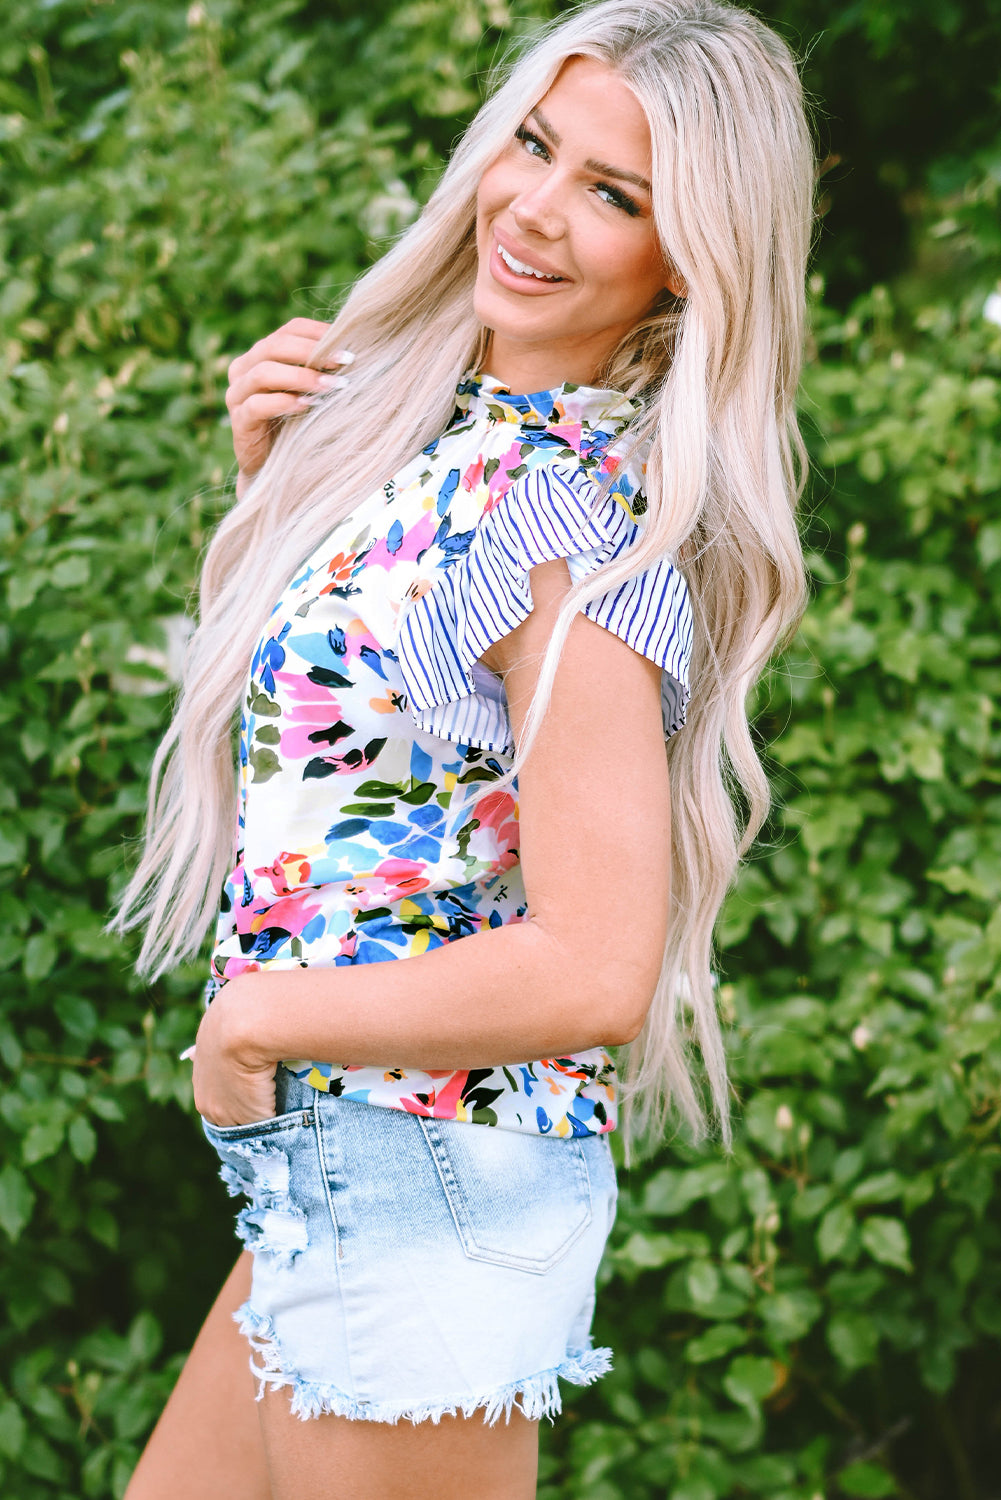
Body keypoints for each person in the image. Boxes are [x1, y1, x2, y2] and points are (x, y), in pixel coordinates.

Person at [117, 1, 813, 1495]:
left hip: (422, 1174)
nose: (536, 209)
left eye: (613, 195)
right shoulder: (456, 446)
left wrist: (255, 1024)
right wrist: (280, 498)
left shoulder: (556, 527)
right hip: (352, 1163)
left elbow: (592, 966)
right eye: (537, 146)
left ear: (689, 260)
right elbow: (351, 771)